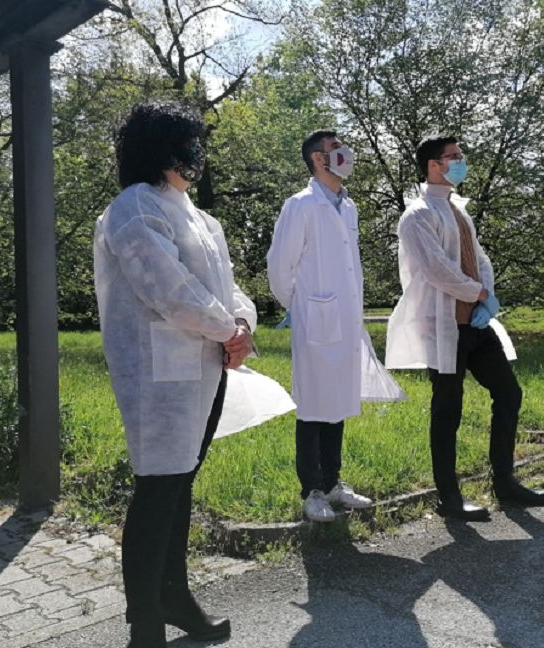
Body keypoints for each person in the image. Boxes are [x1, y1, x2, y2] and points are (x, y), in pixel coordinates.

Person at [93, 100, 255, 648]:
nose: (196, 154)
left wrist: (241, 324)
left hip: (205, 367)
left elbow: (228, 288)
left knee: (181, 484)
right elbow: (168, 287)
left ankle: (174, 596)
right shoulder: (134, 207)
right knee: (158, 489)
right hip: (157, 373)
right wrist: (228, 330)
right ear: (158, 148)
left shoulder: (203, 220)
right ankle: (145, 624)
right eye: (187, 143)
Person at [385, 134, 544, 521]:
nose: (461, 162)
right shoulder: (417, 215)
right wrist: (478, 293)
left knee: (509, 393)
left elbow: (480, 260)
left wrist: (487, 295)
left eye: (461, 155)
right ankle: (449, 496)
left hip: (475, 323)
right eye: (454, 156)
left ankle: (505, 483)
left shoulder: (458, 210)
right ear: (433, 165)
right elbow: (436, 269)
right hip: (443, 324)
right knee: (448, 408)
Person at [267, 130, 405, 523]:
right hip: (315, 319)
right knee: (313, 406)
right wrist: (300, 306)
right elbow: (279, 266)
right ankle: (311, 491)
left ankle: (332, 484)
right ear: (317, 159)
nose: (345, 152)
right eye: (335, 148)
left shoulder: (348, 206)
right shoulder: (301, 205)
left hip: (344, 320)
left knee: (338, 403)